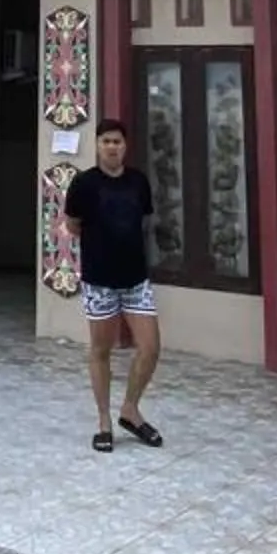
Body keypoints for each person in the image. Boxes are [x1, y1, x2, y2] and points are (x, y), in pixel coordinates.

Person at [60, 115, 163, 453]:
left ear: (125, 145)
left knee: (149, 347)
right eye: (106, 141)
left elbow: (144, 220)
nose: (112, 147)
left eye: (118, 141)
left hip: (135, 279)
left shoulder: (138, 182)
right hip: (100, 281)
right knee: (101, 351)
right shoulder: (85, 184)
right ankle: (104, 421)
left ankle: (130, 410)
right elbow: (72, 225)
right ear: (98, 145)